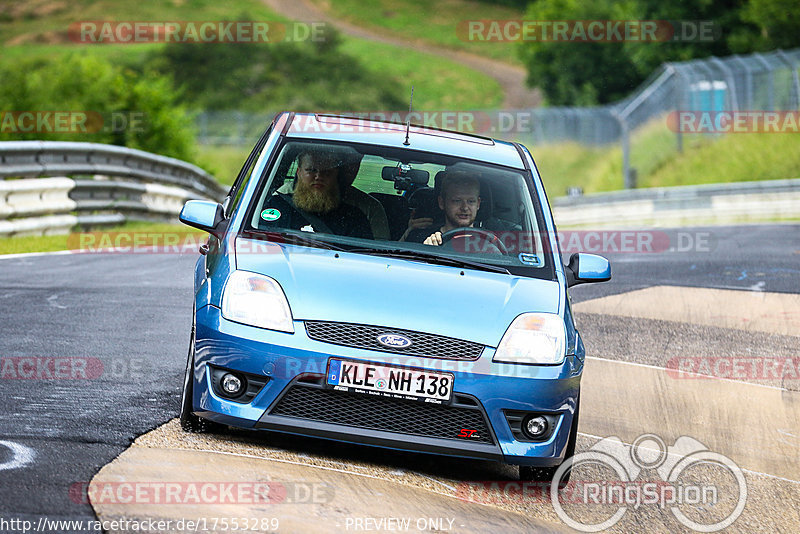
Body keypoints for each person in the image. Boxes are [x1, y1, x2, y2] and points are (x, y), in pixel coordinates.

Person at [275, 149, 390, 240]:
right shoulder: (279, 203)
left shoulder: (355, 217)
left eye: (327, 171)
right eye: (311, 170)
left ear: (336, 176)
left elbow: (369, 254)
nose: (318, 176)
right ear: (299, 172)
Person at [403, 171, 481, 245]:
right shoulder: (420, 238)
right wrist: (426, 250)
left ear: (478, 204)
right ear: (442, 203)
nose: (465, 208)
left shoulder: (490, 241)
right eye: (457, 201)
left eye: (471, 201)